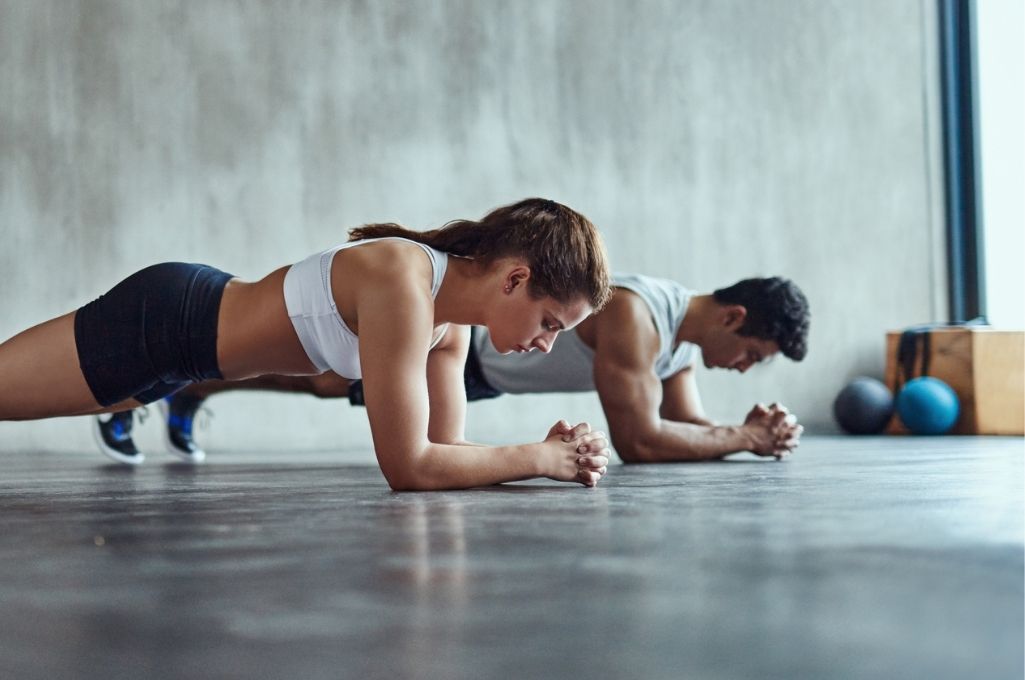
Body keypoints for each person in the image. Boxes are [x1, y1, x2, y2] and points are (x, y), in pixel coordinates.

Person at [0, 198, 616, 489]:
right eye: (551, 323)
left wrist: (548, 452)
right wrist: (538, 459)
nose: (545, 344)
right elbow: (409, 467)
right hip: (163, 322)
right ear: (516, 279)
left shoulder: (447, 328)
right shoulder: (403, 281)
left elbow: (445, 451)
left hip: (175, 364)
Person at [108, 274, 809, 463]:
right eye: (752, 358)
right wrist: (742, 441)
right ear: (734, 320)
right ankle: (176, 381)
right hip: (471, 342)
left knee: (322, 382)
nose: (744, 370)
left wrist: (750, 431)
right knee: (319, 374)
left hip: (489, 371)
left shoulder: (682, 346)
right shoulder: (636, 315)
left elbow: (684, 429)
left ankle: (188, 387)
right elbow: (643, 443)